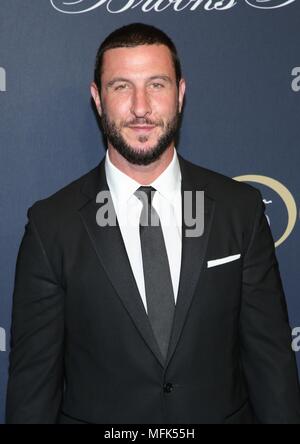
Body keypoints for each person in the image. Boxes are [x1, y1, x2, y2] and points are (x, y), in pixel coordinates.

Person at [6, 23, 300, 424]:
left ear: (180, 93)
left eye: (157, 85)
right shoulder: (50, 227)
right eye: (121, 86)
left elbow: (272, 365)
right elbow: (32, 391)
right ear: (97, 99)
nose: (141, 107)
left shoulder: (239, 210)